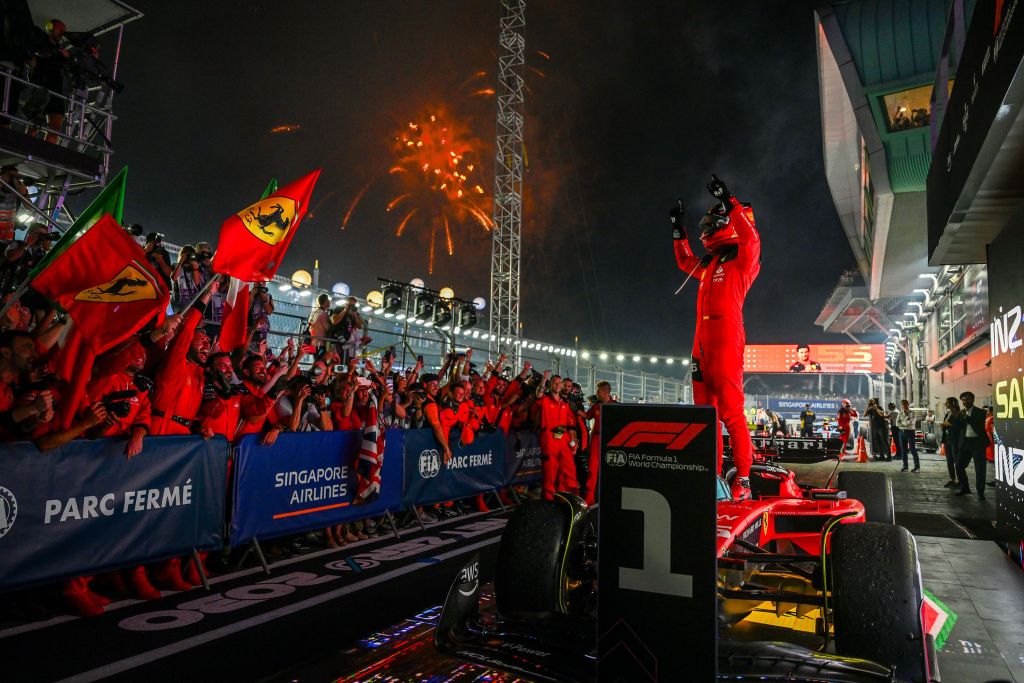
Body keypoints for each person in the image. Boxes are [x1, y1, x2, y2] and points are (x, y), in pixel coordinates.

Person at [672, 174, 760, 500]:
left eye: (712, 220)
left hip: (725, 343)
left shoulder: (742, 260)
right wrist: (677, 229)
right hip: (700, 348)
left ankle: (744, 481)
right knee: (705, 417)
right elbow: (683, 260)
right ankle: (712, 475)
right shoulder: (708, 264)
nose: (706, 227)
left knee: (732, 414)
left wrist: (731, 201)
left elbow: (752, 240)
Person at [537, 374, 580, 500]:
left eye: (559, 382)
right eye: (555, 382)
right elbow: (538, 394)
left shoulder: (565, 403)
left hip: (563, 438)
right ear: (550, 385)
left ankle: (568, 496)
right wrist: (544, 378)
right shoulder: (544, 400)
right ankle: (549, 498)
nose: (558, 385)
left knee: (569, 468)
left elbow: (570, 424)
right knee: (550, 470)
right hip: (549, 438)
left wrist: (573, 441)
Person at [583, 380, 615, 505]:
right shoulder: (596, 406)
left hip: (610, 440)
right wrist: (576, 409)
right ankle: (589, 498)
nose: (597, 394)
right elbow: (587, 416)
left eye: (599, 392)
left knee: (610, 468)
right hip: (597, 439)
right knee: (593, 469)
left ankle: (610, 496)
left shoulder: (616, 406)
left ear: (606, 392)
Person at [955, 391, 988, 500]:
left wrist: (967, 418)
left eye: (967, 399)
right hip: (965, 443)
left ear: (972, 400)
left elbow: (978, 426)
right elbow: (959, 427)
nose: (965, 402)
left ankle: (980, 493)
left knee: (980, 470)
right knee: (959, 466)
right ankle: (965, 487)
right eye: (963, 400)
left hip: (978, 443)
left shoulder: (981, 412)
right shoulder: (961, 413)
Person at [940, 397, 962, 488]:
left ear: (954, 404)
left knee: (957, 460)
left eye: (948, 403)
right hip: (947, 439)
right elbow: (945, 425)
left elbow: (960, 427)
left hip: (955, 440)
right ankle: (952, 479)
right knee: (949, 460)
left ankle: (961, 481)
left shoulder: (958, 414)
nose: (946, 404)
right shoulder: (948, 413)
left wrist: (950, 425)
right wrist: (943, 426)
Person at [896, 399, 919, 472]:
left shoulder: (912, 413)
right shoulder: (900, 413)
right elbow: (897, 424)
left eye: (905, 404)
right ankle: (905, 466)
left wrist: (903, 422)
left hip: (910, 432)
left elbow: (912, 422)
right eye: (902, 405)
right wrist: (906, 421)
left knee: (912, 449)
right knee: (903, 450)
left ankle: (917, 467)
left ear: (908, 404)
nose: (904, 406)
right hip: (901, 432)